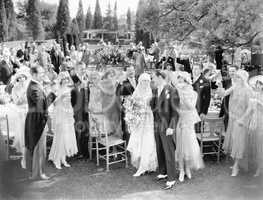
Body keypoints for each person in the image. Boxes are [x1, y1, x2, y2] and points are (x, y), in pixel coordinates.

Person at [219, 69, 252, 176]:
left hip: (242, 120)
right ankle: (236, 164)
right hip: (233, 118)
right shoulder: (235, 86)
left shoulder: (248, 90)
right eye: (235, 77)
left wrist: (242, 119)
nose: (235, 79)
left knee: (239, 143)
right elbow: (224, 93)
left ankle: (236, 166)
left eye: (238, 77)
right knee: (234, 141)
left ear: (243, 79)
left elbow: (250, 108)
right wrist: (219, 85)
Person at [151, 70, 180, 190]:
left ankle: (171, 178)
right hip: (157, 125)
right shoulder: (154, 90)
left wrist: (171, 127)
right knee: (160, 149)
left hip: (167, 125)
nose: (152, 80)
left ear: (159, 77)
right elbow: (153, 106)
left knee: (169, 151)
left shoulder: (172, 90)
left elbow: (176, 111)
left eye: (154, 78)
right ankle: (163, 172)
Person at [126, 73, 157, 177]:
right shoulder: (136, 92)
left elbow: (153, 106)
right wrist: (133, 115)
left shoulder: (151, 92)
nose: (145, 83)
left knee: (147, 141)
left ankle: (146, 165)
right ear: (140, 82)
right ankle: (141, 165)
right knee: (139, 141)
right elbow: (132, 106)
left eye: (147, 81)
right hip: (139, 120)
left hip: (148, 119)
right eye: (143, 81)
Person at [175, 71, 204, 182]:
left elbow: (191, 106)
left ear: (186, 81)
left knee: (188, 145)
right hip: (179, 120)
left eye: (181, 79)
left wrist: (183, 95)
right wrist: (178, 112)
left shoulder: (193, 94)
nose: (179, 82)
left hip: (188, 121)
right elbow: (174, 105)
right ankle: (181, 169)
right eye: (178, 80)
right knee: (180, 145)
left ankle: (187, 169)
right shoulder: (176, 92)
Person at [24, 65, 49, 180]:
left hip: (36, 120)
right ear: (34, 74)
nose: (43, 74)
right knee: (39, 148)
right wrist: (53, 95)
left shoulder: (36, 85)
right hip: (37, 121)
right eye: (41, 73)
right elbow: (41, 105)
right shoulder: (34, 87)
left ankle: (36, 173)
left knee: (38, 148)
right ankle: (37, 174)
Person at [49, 71, 78, 169]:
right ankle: (57, 159)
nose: (66, 80)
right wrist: (59, 97)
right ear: (61, 80)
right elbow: (54, 103)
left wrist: (70, 113)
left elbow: (69, 103)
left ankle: (63, 158)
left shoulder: (68, 89)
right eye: (64, 78)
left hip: (67, 115)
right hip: (60, 115)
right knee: (60, 137)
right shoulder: (57, 90)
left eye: (67, 78)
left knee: (66, 137)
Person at [239, 75, 263, 177]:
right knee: (254, 144)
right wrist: (242, 119)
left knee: (260, 145)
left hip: (261, 120)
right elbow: (249, 110)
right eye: (257, 84)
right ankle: (255, 165)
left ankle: (260, 167)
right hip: (253, 121)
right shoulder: (253, 96)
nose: (258, 86)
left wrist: (259, 103)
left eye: (260, 84)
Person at [11, 69, 30, 169]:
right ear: (18, 79)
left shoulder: (28, 87)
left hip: (29, 112)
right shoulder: (15, 89)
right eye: (20, 77)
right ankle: (24, 158)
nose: (22, 79)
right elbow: (17, 102)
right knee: (23, 135)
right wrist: (22, 96)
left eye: (24, 77)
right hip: (21, 113)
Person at [71, 74, 90, 159]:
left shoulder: (85, 89)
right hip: (78, 115)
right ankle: (79, 152)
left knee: (84, 133)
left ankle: (84, 152)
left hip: (84, 114)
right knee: (78, 133)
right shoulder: (74, 91)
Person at [116, 66, 136, 143]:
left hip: (138, 109)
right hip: (127, 109)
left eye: (132, 70)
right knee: (127, 131)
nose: (131, 72)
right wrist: (120, 82)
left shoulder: (139, 80)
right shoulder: (123, 82)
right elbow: (117, 93)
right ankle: (127, 150)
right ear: (126, 72)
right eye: (129, 71)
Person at [192, 64, 211, 132]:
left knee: (197, 130)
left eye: (196, 69)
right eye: (193, 68)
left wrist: (204, 112)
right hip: (190, 109)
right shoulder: (190, 80)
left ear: (201, 70)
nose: (194, 70)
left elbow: (207, 98)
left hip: (199, 109)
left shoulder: (205, 81)